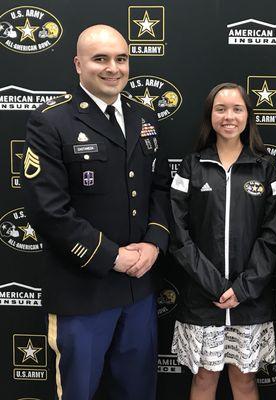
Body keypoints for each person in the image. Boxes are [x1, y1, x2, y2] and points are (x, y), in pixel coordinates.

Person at [22, 25, 170, 400]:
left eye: (121, 59)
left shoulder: (144, 117)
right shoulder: (51, 121)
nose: (113, 68)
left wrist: (154, 242)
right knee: (79, 392)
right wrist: (113, 257)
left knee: (138, 392)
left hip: (138, 289)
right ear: (78, 64)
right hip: (81, 291)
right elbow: (48, 211)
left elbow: (160, 189)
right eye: (100, 59)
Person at [170, 83, 276, 400]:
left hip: (250, 300)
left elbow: (272, 235)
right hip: (203, 298)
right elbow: (180, 236)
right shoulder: (191, 166)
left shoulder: (267, 168)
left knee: (244, 381)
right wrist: (216, 286)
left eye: (237, 109)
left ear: (248, 115)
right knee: (204, 380)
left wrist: (243, 288)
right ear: (210, 116)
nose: (229, 116)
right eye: (220, 109)